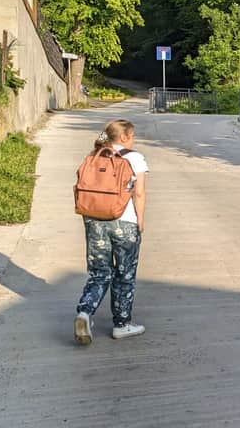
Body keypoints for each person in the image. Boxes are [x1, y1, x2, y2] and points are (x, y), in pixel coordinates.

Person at [74, 119, 149, 345]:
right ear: (125, 137)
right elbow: (139, 193)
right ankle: (122, 324)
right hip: (124, 222)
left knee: (99, 272)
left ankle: (85, 313)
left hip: (94, 220)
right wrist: (140, 221)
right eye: (133, 136)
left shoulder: (94, 156)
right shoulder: (134, 158)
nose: (134, 140)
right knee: (124, 274)